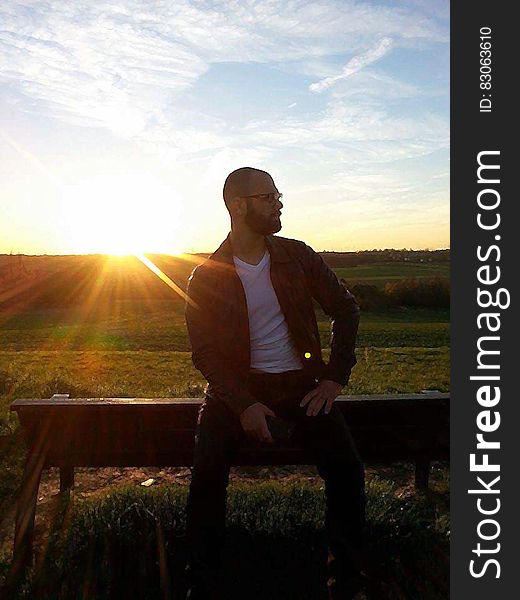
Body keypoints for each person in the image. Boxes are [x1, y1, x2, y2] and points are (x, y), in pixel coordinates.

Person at [184, 167, 366, 599]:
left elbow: (346, 309)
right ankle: (204, 584)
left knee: (347, 469)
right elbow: (205, 353)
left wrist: (334, 379)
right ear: (237, 205)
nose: (279, 202)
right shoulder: (207, 276)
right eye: (268, 197)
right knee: (206, 475)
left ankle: (347, 581)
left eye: (277, 194)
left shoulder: (297, 256)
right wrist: (244, 404)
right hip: (236, 392)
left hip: (302, 385)